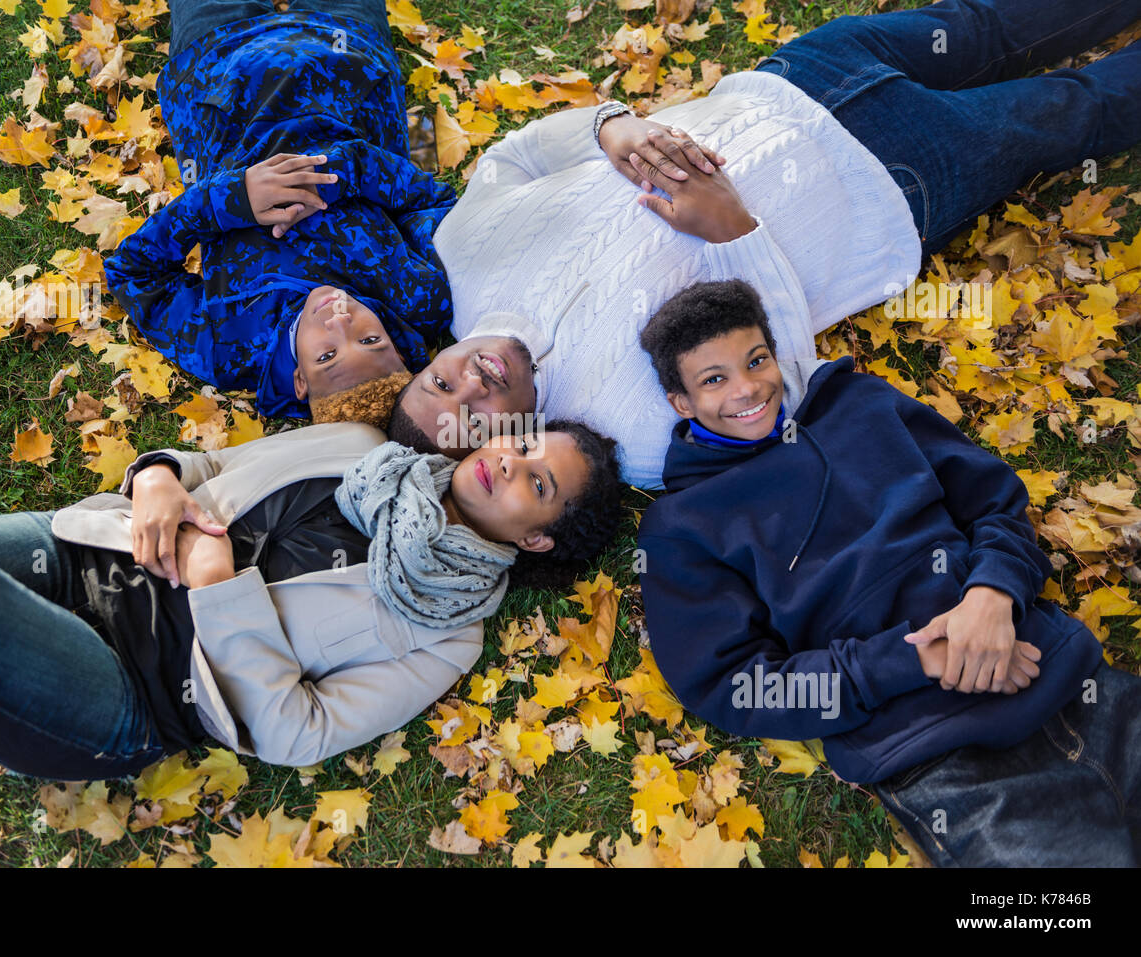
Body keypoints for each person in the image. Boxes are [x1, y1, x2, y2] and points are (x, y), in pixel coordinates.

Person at [391, 0, 1141, 486]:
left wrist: (610, 125)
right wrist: (731, 230)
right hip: (886, 182)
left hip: (791, 80)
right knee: (1075, 110)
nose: (472, 383)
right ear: (508, 440)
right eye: (481, 417)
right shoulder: (639, 435)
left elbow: (514, 158)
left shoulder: (465, 252)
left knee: (986, 24)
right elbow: (775, 388)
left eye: (441, 383)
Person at [634, 279, 1141, 866]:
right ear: (681, 402)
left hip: (1061, 678)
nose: (747, 389)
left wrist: (992, 595)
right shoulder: (680, 527)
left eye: (757, 360)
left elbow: (993, 502)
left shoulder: (862, 404)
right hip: (940, 757)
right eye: (713, 379)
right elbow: (736, 684)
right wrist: (913, 660)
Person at [0, 419, 623, 781]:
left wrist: (220, 588)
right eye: (522, 443)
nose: (508, 463)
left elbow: (297, 732)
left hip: (123, 694)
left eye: (539, 482)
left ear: (537, 541)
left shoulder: (446, 634)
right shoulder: (359, 450)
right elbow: (205, 457)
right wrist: (154, 476)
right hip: (89, 546)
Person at [103, 0, 458, 420]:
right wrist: (335, 174)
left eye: (326, 355)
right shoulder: (419, 301)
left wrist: (235, 200)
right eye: (370, 341)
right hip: (347, 58)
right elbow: (434, 200)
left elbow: (133, 272)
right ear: (398, 352)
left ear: (300, 382)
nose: (340, 320)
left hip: (219, 69)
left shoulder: (227, 347)